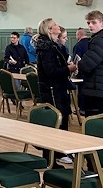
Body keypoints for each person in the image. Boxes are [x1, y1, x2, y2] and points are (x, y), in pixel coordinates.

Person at [34, 18, 76, 164]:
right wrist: (68, 69)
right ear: (49, 30)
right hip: (52, 89)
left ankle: (60, 150)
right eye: (55, 25)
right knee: (55, 120)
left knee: (62, 119)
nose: (59, 26)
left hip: (58, 88)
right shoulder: (47, 48)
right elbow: (51, 71)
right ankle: (53, 156)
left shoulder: (52, 46)